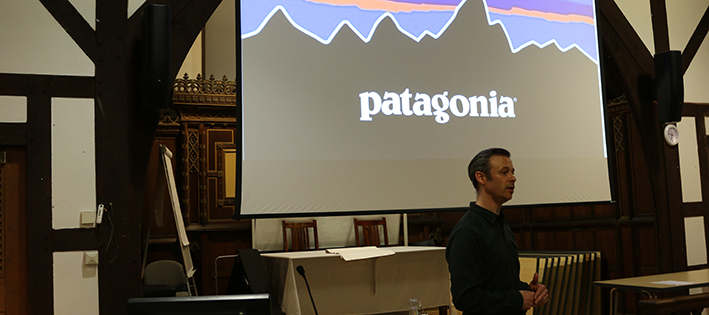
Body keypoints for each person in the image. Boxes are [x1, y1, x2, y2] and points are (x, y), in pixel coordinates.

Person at [446, 148, 549, 314]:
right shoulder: (467, 232)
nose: (513, 178)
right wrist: (516, 299)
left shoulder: (501, 225)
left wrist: (529, 291)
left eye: (512, 172)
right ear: (481, 178)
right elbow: (465, 297)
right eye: (504, 172)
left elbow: (499, 284)